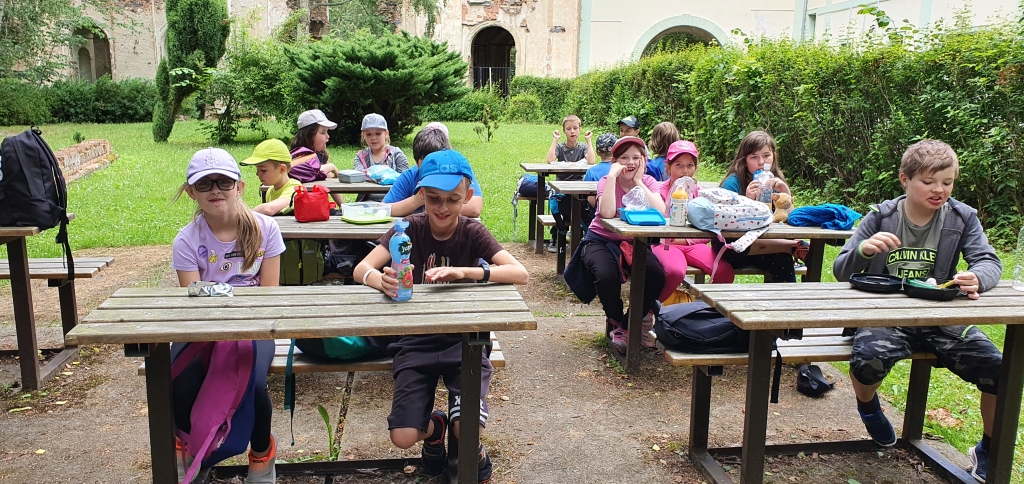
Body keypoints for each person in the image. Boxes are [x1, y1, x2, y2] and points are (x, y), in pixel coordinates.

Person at [353, 150, 529, 483]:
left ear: (467, 197)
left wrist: (466, 272)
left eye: (452, 199)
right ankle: (435, 430)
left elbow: (519, 273)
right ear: (421, 195)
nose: (442, 207)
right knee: (402, 436)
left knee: (467, 425)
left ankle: (471, 449)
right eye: (434, 198)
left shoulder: (472, 231)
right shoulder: (407, 229)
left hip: (465, 342)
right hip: (414, 341)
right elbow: (362, 268)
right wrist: (380, 280)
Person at [833, 139, 1003, 483]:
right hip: (885, 317)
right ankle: (868, 406)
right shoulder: (881, 216)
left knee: (1000, 371)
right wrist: (864, 250)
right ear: (905, 180)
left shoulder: (962, 217)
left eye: (947, 182)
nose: (939, 190)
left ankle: (988, 447)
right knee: (868, 361)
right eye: (929, 181)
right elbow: (840, 269)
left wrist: (978, 278)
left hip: (941, 317)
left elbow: (988, 261)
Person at [170, 148, 285, 484]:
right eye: (204, 184)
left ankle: (262, 453)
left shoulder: (266, 229)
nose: (215, 190)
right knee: (181, 378)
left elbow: (268, 295)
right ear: (191, 192)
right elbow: (193, 299)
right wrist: (233, 297)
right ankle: (188, 446)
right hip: (204, 326)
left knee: (253, 384)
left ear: (240, 186)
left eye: (224, 181)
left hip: (255, 327)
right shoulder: (186, 240)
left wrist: (220, 294)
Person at [564, 136, 667, 352]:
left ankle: (629, 325)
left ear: (643, 160)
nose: (630, 163)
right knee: (606, 274)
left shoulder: (648, 182)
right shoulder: (606, 180)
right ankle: (616, 319)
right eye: (624, 158)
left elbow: (661, 211)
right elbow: (607, 213)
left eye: (636, 158)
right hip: (600, 239)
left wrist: (638, 182)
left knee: (656, 274)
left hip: (636, 242)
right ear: (614, 161)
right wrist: (612, 177)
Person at [717, 130, 808, 282]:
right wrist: (746, 201)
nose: (761, 162)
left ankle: (788, 297)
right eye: (754, 157)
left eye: (766, 155)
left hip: (768, 245)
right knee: (792, 249)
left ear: (774, 157)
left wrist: (785, 193)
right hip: (733, 248)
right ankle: (791, 247)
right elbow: (723, 221)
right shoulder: (733, 183)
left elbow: (791, 222)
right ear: (744, 161)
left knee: (782, 259)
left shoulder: (775, 181)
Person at [652, 140, 734, 305]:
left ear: (695, 168)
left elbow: (710, 228)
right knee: (675, 271)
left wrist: (686, 239)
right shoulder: (657, 192)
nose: (685, 171)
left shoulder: (702, 194)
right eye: (679, 165)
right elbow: (654, 226)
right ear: (668, 167)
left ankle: (702, 310)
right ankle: (648, 310)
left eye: (690, 165)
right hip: (665, 245)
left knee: (724, 272)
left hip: (693, 244)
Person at [383, 123, 484, 217]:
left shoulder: (457, 171)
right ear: (417, 162)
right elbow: (382, 210)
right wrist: (416, 200)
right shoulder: (409, 176)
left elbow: (475, 208)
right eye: (427, 164)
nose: (433, 169)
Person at [545, 114, 594, 253]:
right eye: (568, 129)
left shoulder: (582, 147)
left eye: (575, 128)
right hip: (561, 186)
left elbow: (591, 160)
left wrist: (589, 140)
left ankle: (581, 235)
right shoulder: (560, 147)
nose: (572, 131)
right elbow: (550, 160)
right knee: (555, 204)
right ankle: (558, 234)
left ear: (579, 130)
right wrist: (555, 140)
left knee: (582, 207)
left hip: (579, 186)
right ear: (564, 131)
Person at [291, 109, 342, 205]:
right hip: (299, 207)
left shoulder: (321, 155)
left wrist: (342, 206)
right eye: (323, 132)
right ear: (309, 135)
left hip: (319, 206)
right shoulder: (298, 155)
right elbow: (314, 170)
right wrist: (332, 167)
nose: (327, 136)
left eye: (327, 132)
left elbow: (329, 180)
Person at [354, 113, 410, 202]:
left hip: (394, 201)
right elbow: (358, 177)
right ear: (363, 135)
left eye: (378, 133)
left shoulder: (396, 154)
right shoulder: (361, 156)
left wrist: (371, 174)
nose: (373, 138)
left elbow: (405, 180)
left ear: (386, 134)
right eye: (368, 134)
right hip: (366, 202)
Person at [240, 139, 301, 216]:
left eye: (263, 170)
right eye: (257, 169)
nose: (257, 174)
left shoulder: (295, 189)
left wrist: (244, 216)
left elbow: (268, 209)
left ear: (282, 169)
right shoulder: (270, 191)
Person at [580, 133, 618, 229]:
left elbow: (591, 201)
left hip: (599, 213)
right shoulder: (621, 168)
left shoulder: (591, 171)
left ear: (597, 152)